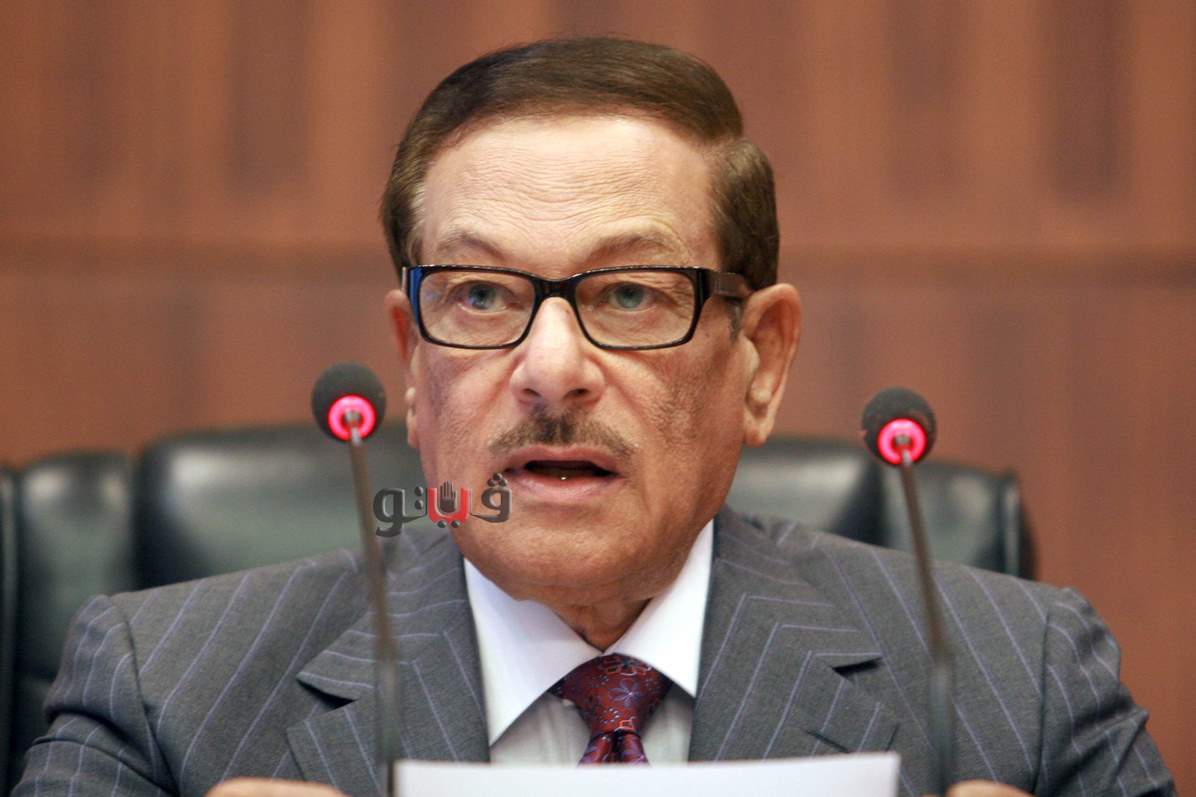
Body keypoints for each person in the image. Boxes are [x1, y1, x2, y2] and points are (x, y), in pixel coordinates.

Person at [15, 37, 1174, 797]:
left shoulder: (1017, 681)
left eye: (628, 294)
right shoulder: (165, 690)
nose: (550, 368)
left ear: (760, 361)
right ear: (412, 363)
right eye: (480, 296)